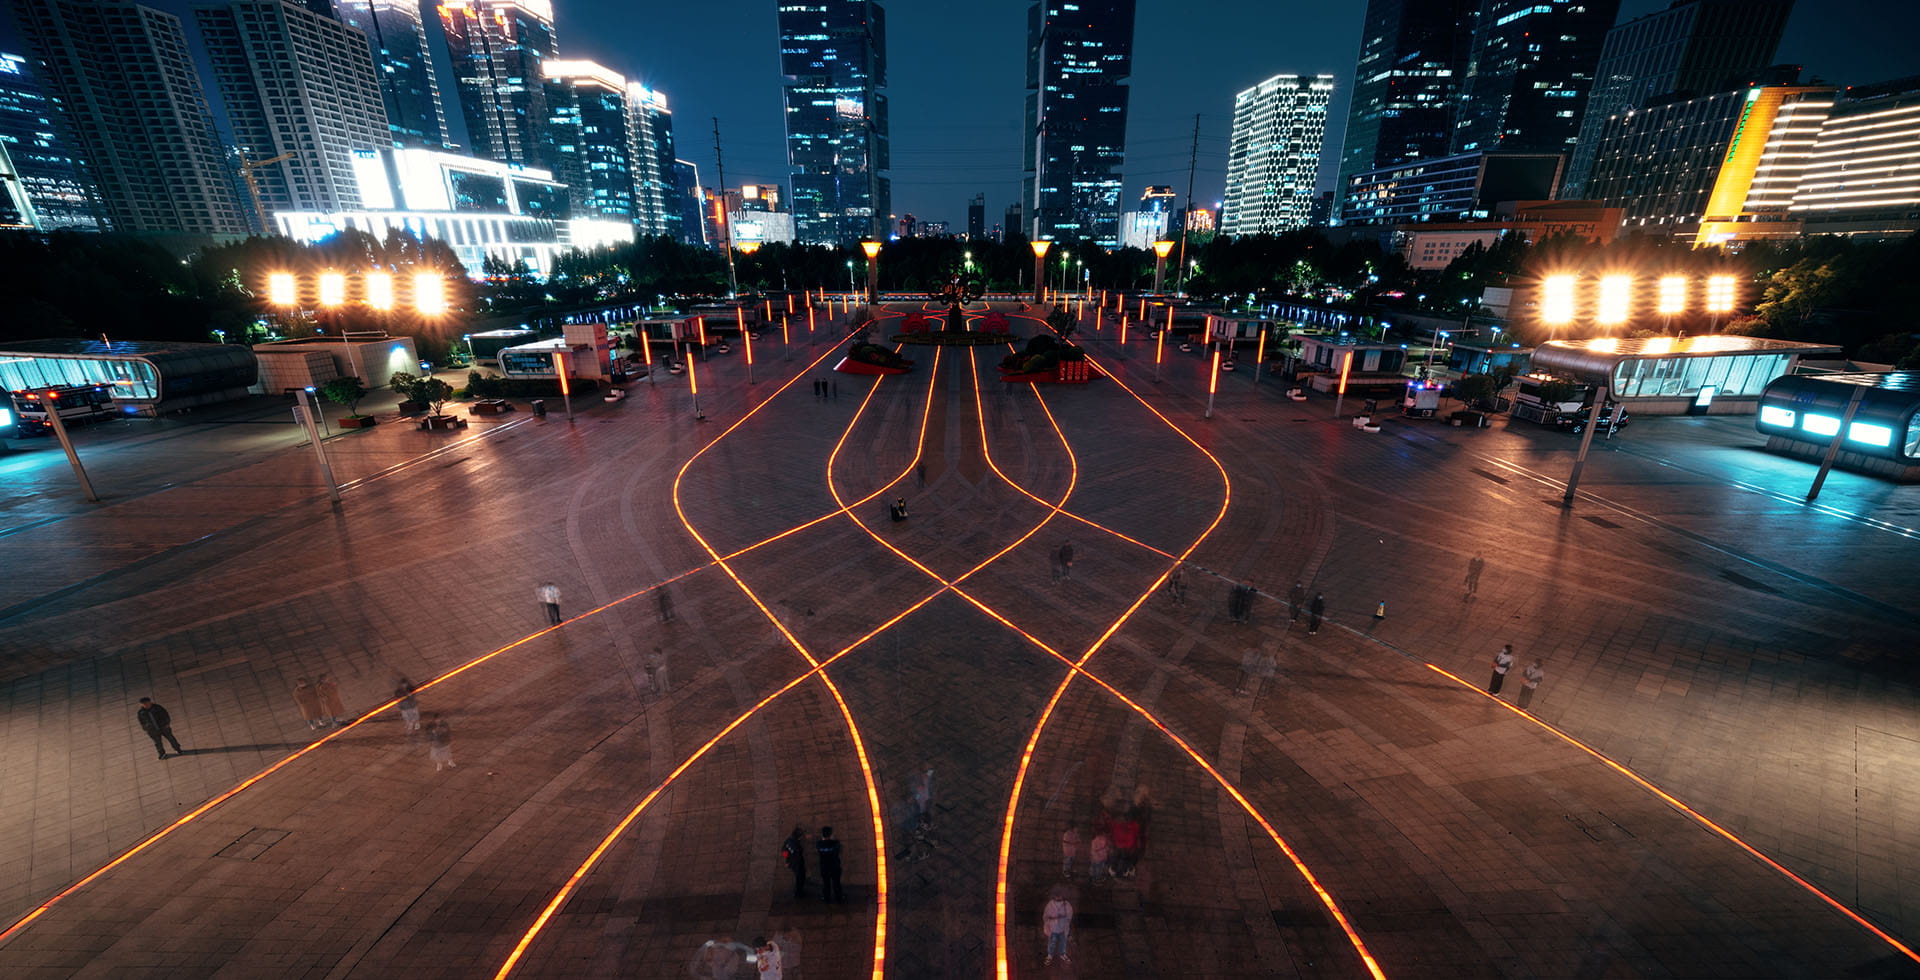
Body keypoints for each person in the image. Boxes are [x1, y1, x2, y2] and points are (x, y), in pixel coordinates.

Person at [1042, 894, 1073, 966]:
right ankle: (1050, 955)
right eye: (1057, 895)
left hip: (1062, 928)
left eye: (1060, 895)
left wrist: (1065, 922)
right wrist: (1049, 923)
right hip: (1053, 928)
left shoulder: (1066, 905)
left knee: (1063, 942)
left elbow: (1069, 915)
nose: (1058, 897)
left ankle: (1062, 954)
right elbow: (1046, 916)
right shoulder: (1050, 904)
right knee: (1052, 942)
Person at [816, 826, 843, 903]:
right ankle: (839, 898)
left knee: (826, 884)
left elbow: (820, 850)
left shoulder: (819, 843)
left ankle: (826, 898)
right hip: (835, 866)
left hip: (824, 867)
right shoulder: (836, 843)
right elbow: (837, 850)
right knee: (836, 883)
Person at [783, 826, 808, 899]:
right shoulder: (795, 845)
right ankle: (798, 893)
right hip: (796, 863)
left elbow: (784, 851)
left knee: (799, 877)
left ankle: (799, 892)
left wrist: (787, 861)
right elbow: (796, 852)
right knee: (800, 877)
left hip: (793, 862)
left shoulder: (788, 841)